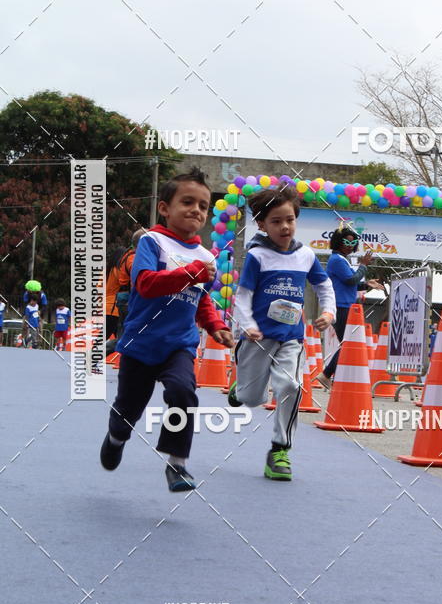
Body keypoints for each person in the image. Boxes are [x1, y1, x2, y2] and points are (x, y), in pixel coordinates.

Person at [100, 166, 234, 492]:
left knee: (184, 392)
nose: (196, 210)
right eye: (187, 202)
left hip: (180, 344)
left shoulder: (205, 256)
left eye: (203, 206)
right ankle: (117, 436)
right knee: (130, 406)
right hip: (142, 343)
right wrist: (191, 273)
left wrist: (215, 325)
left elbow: (198, 299)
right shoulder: (152, 242)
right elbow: (144, 284)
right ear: (165, 208)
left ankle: (177, 464)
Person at [229, 183, 335, 481]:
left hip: (292, 337)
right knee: (252, 399)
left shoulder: (306, 256)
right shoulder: (258, 256)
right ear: (262, 224)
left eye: (289, 220)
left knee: (291, 386)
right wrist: (247, 325)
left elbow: (324, 286)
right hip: (258, 337)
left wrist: (328, 312)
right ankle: (242, 386)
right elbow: (244, 295)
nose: (284, 227)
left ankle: (279, 451)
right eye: (276, 221)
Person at [316, 225, 384, 389]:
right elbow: (351, 280)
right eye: (346, 241)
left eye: (352, 242)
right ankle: (326, 374)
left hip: (345, 305)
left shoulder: (341, 260)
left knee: (347, 343)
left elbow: (352, 284)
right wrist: (364, 265)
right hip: (341, 307)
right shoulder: (337, 260)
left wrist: (368, 285)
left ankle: (333, 376)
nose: (349, 244)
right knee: (348, 343)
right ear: (338, 241)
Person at [105, 246, 127, 341]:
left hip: (106, 306)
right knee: (120, 338)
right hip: (115, 307)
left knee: (119, 338)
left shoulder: (107, 271)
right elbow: (124, 282)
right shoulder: (118, 270)